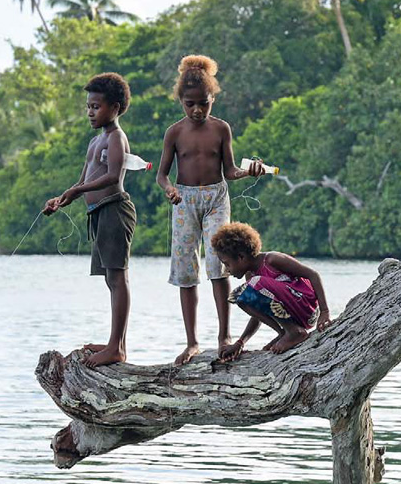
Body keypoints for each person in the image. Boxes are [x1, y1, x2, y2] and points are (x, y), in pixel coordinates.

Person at [157, 54, 265, 366]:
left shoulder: (221, 130)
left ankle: (224, 336)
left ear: (212, 98)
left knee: (221, 265)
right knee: (185, 270)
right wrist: (170, 190)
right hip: (184, 201)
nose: (197, 110)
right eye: (189, 104)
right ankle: (191, 342)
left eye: (203, 103)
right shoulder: (174, 133)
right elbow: (162, 174)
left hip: (217, 197)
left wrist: (248, 172)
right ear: (180, 101)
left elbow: (230, 170)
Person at [43, 72, 138, 368]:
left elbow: (112, 176)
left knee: (118, 277)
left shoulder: (116, 138)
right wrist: (62, 199)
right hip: (98, 214)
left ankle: (117, 347)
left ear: (116, 107)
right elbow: (85, 178)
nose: (90, 112)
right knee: (110, 280)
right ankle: (115, 343)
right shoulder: (95, 141)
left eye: (97, 106)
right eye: (88, 106)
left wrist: (78, 189)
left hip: (114, 209)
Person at [211, 222, 333, 360]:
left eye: (227, 264)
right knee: (242, 298)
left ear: (241, 257)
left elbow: (313, 275)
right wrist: (241, 342)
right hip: (293, 314)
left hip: (305, 306)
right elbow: (258, 313)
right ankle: (285, 333)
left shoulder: (272, 259)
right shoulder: (251, 278)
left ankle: (294, 332)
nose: (227, 270)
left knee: (246, 289)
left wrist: (325, 312)